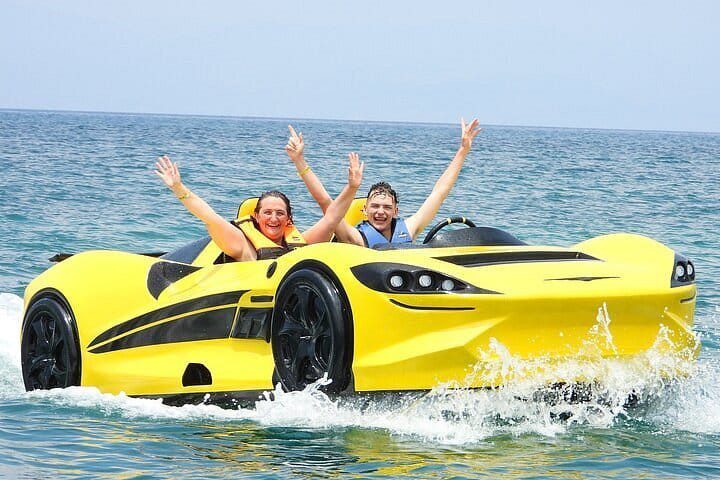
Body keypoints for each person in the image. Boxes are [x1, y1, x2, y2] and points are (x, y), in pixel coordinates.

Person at [285, 118, 481, 248]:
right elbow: (326, 203)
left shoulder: (409, 229)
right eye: (375, 206)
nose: (380, 211)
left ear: (396, 211)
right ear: (365, 210)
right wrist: (299, 160)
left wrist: (463, 151)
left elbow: (439, 193)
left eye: (387, 207)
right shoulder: (355, 238)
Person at [154, 152, 364, 261]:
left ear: (288, 219)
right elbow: (210, 217)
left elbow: (332, 216)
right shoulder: (242, 246)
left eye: (280, 213)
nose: (274, 218)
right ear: (256, 216)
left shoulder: (302, 242)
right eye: (268, 213)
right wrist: (179, 188)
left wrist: (352, 186)